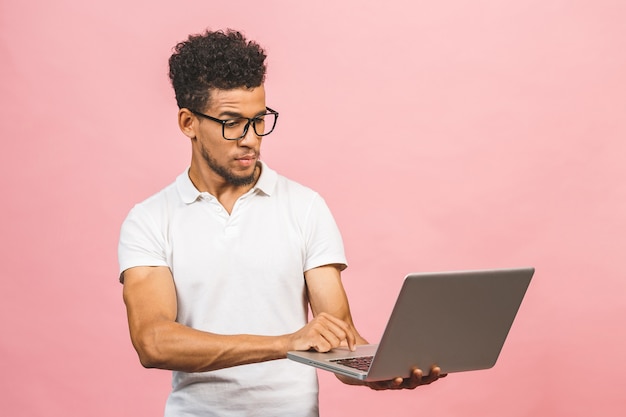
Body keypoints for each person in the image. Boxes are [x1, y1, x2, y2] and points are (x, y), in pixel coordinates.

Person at [118, 29, 445, 417]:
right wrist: (284, 343)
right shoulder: (150, 219)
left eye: (259, 120)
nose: (251, 139)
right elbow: (154, 342)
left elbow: (337, 336)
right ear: (188, 122)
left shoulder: (305, 207)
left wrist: (379, 370)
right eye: (231, 123)